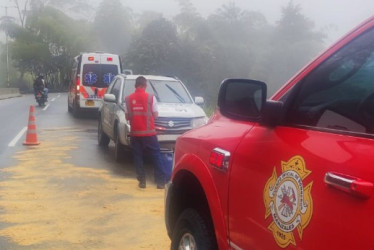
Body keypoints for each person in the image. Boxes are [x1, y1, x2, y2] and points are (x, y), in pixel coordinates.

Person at [124, 76, 166, 189]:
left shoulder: (128, 99)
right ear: (145, 85)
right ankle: (160, 182)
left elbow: (127, 117)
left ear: (135, 86)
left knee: (138, 157)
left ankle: (142, 181)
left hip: (135, 134)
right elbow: (156, 115)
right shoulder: (151, 98)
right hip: (149, 134)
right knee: (156, 156)